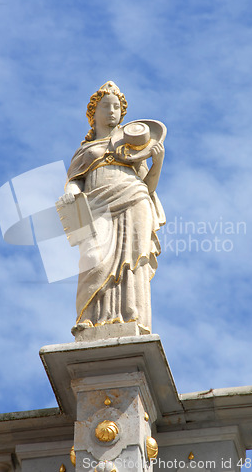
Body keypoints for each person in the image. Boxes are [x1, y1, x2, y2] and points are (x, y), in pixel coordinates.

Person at [61, 81, 166, 334]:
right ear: (93, 114)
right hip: (96, 204)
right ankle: (88, 317)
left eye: (117, 107)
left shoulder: (129, 146)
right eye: (106, 106)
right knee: (92, 259)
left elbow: (148, 186)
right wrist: (70, 192)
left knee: (131, 262)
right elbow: (75, 181)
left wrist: (158, 162)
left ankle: (131, 315)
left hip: (134, 198)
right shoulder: (85, 151)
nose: (112, 111)